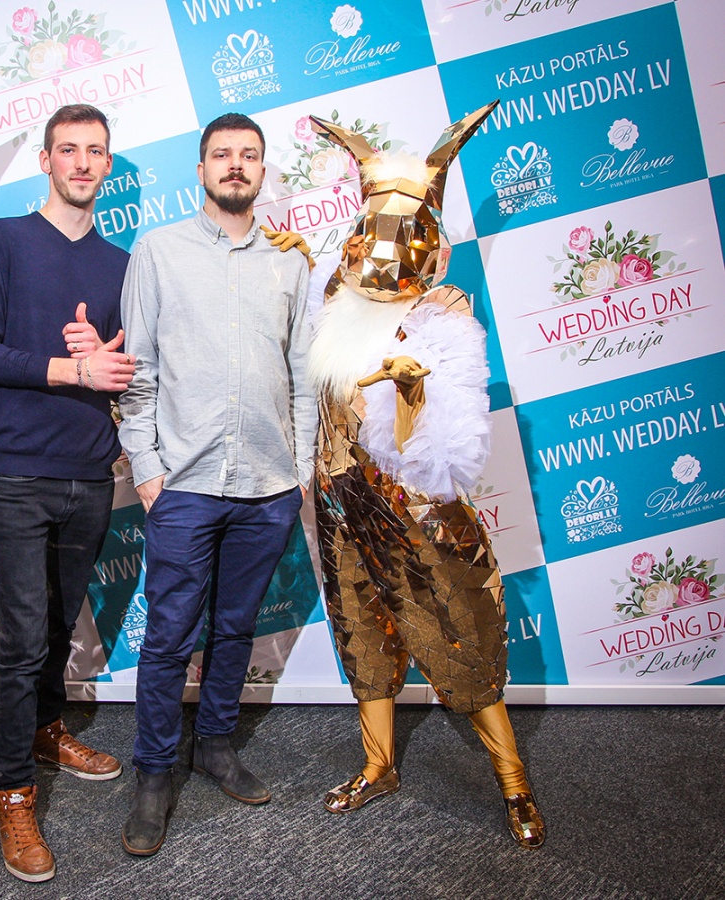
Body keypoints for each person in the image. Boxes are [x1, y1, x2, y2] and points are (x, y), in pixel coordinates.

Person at [305, 106, 545, 850]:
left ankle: (514, 784)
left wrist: (411, 389)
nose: (383, 254)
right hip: (339, 504)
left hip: (418, 514)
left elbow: (444, 456)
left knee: (458, 636)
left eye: (403, 236)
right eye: (372, 232)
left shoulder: (442, 315)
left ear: (430, 245)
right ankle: (378, 766)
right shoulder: (333, 303)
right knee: (361, 635)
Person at [116, 112, 316, 857]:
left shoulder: (290, 264)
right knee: (169, 635)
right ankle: (155, 770)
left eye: (249, 155)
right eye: (222, 155)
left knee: (236, 628)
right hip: (185, 484)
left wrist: (299, 473)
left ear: (262, 171)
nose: (236, 165)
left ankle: (217, 744)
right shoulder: (159, 251)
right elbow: (137, 370)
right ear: (201, 170)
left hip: (268, 484)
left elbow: (303, 376)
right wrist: (147, 468)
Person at [0, 104, 136, 883]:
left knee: (60, 626)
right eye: (69, 149)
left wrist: (112, 362)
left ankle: (45, 730)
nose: (83, 162)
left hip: (91, 474)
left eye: (96, 150)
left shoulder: (123, 263)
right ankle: (14, 793)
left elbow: (133, 370)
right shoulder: (4, 240)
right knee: (24, 639)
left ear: (108, 164)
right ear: (47, 160)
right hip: (19, 474)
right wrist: (71, 369)